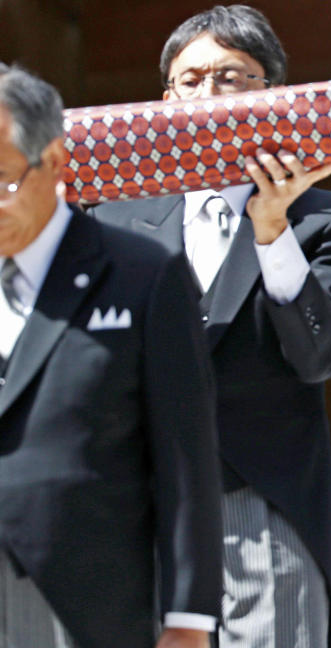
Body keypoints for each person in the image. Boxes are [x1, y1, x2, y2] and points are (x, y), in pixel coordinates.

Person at [92, 5, 331, 648]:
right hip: (141, 509)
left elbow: (320, 355)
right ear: (165, 101)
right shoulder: (111, 219)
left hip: (263, 502)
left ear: (271, 94)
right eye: (190, 80)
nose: (207, 94)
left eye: (229, 76)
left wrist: (272, 231)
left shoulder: (324, 218)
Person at [0, 64, 221, 647]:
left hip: (88, 602)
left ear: (54, 163)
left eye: (2, 182)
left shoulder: (142, 274)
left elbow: (185, 455)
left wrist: (189, 618)